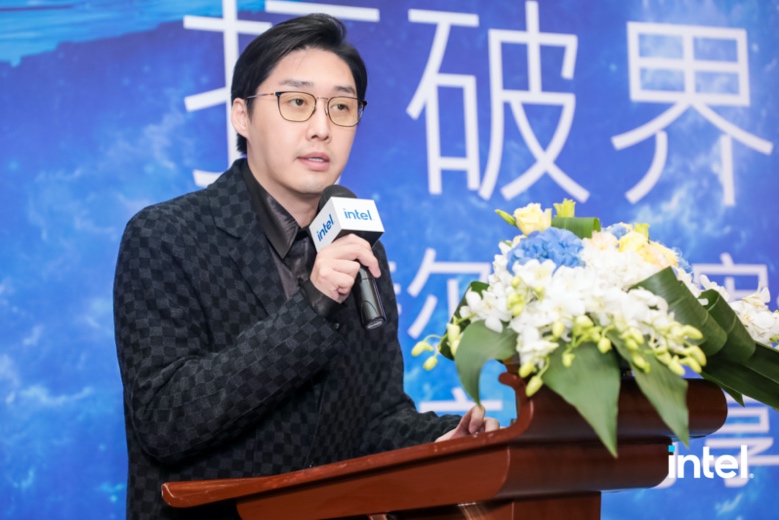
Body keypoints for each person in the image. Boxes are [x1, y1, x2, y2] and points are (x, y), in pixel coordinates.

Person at [113, 13, 498, 520]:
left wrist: (443, 441)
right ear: (242, 115)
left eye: (341, 107)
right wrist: (313, 306)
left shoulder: (358, 246)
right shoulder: (166, 236)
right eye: (297, 102)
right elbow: (166, 419)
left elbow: (375, 419)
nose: (322, 128)